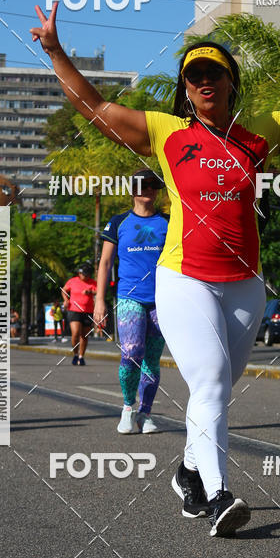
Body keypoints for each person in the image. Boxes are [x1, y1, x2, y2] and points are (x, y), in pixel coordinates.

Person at [31, 4, 280, 537]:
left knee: (220, 385)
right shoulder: (167, 133)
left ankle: (188, 472)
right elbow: (94, 107)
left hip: (245, 285)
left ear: (231, 82)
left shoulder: (257, 134)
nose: (204, 81)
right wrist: (55, 51)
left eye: (214, 72)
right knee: (210, 381)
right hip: (184, 279)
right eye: (195, 76)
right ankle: (218, 497)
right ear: (186, 90)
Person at [94, 169, 168, 435]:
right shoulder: (118, 222)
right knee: (131, 353)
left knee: (152, 359)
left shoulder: (168, 223)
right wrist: (99, 301)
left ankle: (145, 414)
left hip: (162, 301)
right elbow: (104, 263)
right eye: (141, 185)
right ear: (132, 190)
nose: (147, 189)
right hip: (129, 298)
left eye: (152, 185)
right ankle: (127, 408)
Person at [62, 263, 97, 365]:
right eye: (84, 274)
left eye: (88, 274)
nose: (86, 276)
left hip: (88, 311)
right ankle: (75, 354)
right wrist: (66, 300)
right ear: (79, 273)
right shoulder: (72, 281)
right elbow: (64, 290)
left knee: (84, 336)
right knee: (76, 333)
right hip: (74, 310)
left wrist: (90, 292)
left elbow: (99, 292)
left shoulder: (93, 283)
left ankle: (81, 357)